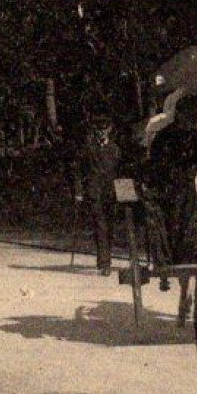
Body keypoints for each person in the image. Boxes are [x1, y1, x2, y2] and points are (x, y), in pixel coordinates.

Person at [79, 115, 123, 275]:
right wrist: (79, 191)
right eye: (98, 129)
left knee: (109, 226)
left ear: (110, 130)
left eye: (104, 129)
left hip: (110, 193)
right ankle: (105, 264)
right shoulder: (88, 149)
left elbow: (119, 172)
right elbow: (79, 170)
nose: (101, 133)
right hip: (94, 192)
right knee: (100, 226)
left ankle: (104, 259)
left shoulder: (115, 149)